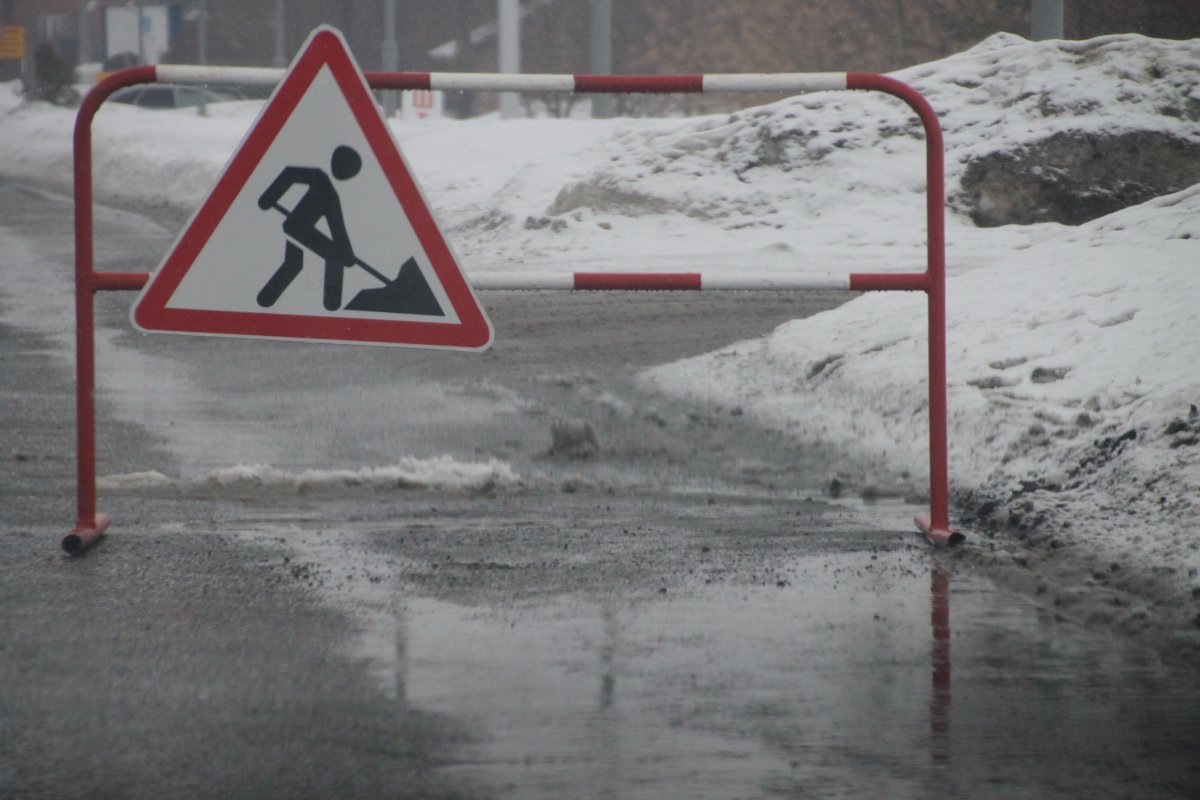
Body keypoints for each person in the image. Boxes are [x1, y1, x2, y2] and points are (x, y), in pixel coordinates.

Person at [255, 145, 362, 311]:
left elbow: (337, 227)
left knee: (293, 264)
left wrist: (348, 255)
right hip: (298, 228)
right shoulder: (322, 180)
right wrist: (268, 197)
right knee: (332, 256)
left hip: (297, 228)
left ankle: (265, 300)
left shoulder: (330, 193)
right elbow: (290, 174)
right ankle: (332, 303)